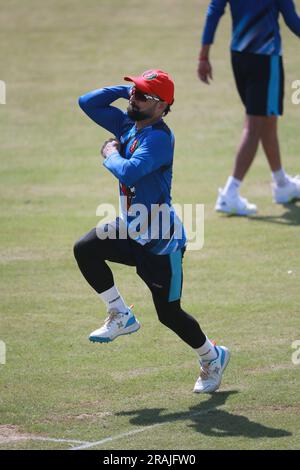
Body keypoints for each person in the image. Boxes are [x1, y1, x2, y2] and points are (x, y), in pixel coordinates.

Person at [73, 69, 230, 393]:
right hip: (132, 230)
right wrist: (127, 89)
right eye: (135, 91)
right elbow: (86, 102)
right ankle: (120, 314)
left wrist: (110, 153)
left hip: (161, 243)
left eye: (143, 95)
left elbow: (130, 173)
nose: (134, 97)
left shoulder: (158, 139)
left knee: (169, 315)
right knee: (85, 248)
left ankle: (212, 357)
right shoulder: (128, 124)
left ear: (161, 107)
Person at [198, 0, 300, 216]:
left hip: (239, 58)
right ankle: (230, 193)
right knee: (254, 126)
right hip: (266, 59)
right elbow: (292, 20)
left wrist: (204, 55)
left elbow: (214, 11)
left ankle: (282, 184)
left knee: (267, 120)